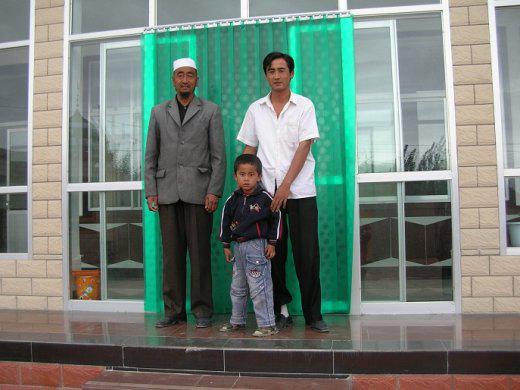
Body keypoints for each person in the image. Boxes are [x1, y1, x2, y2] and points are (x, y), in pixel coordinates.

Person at [237, 52, 328, 333]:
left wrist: (285, 186)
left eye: (281, 70)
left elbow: (304, 148)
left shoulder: (304, 106)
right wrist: (246, 188)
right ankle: (280, 311)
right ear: (266, 75)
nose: (276, 75)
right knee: (272, 254)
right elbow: (249, 150)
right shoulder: (256, 109)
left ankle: (314, 316)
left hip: (299, 192)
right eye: (271, 71)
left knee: (307, 254)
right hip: (266, 195)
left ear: (291, 73)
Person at [145, 57, 226, 328]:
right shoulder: (158, 112)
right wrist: (151, 191)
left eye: (190, 75)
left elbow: (219, 156)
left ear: (197, 80)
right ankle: (173, 311)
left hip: (200, 193)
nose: (185, 80)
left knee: (200, 254)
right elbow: (150, 156)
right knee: (171, 256)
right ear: (173, 79)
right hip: (167, 192)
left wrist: (214, 191)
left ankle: (203, 311)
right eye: (180, 75)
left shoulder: (211, 111)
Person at [219, 154, 281, 337]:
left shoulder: (265, 198)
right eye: (242, 174)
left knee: (259, 286)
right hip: (238, 249)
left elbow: (276, 219)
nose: (246, 179)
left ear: (259, 176)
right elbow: (225, 221)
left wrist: (272, 243)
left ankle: (268, 324)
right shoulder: (232, 200)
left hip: (257, 248)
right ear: (235, 177)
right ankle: (237, 321)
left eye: (251, 174)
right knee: (237, 288)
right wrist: (226, 244)